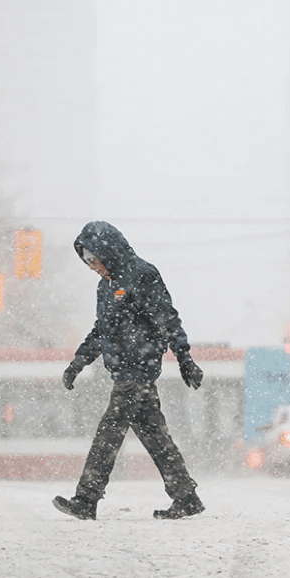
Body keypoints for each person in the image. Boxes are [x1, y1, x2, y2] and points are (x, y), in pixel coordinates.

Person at [52, 221, 205, 521]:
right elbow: (101, 332)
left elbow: (167, 319)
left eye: (92, 258)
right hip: (123, 372)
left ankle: (86, 498)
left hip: (139, 371)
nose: (90, 266)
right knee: (155, 437)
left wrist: (185, 357)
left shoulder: (142, 275)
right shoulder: (104, 288)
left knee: (108, 432)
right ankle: (186, 497)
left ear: (106, 251)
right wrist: (77, 363)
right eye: (85, 260)